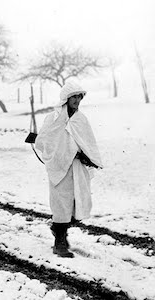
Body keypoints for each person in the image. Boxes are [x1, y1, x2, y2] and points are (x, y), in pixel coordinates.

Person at [35, 81, 103, 258]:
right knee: (61, 205)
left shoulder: (81, 119)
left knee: (76, 203)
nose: (77, 100)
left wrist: (86, 156)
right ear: (66, 98)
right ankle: (60, 243)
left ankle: (59, 232)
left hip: (77, 167)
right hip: (59, 167)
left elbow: (88, 142)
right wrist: (59, 155)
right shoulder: (53, 118)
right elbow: (43, 141)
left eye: (80, 96)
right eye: (74, 96)